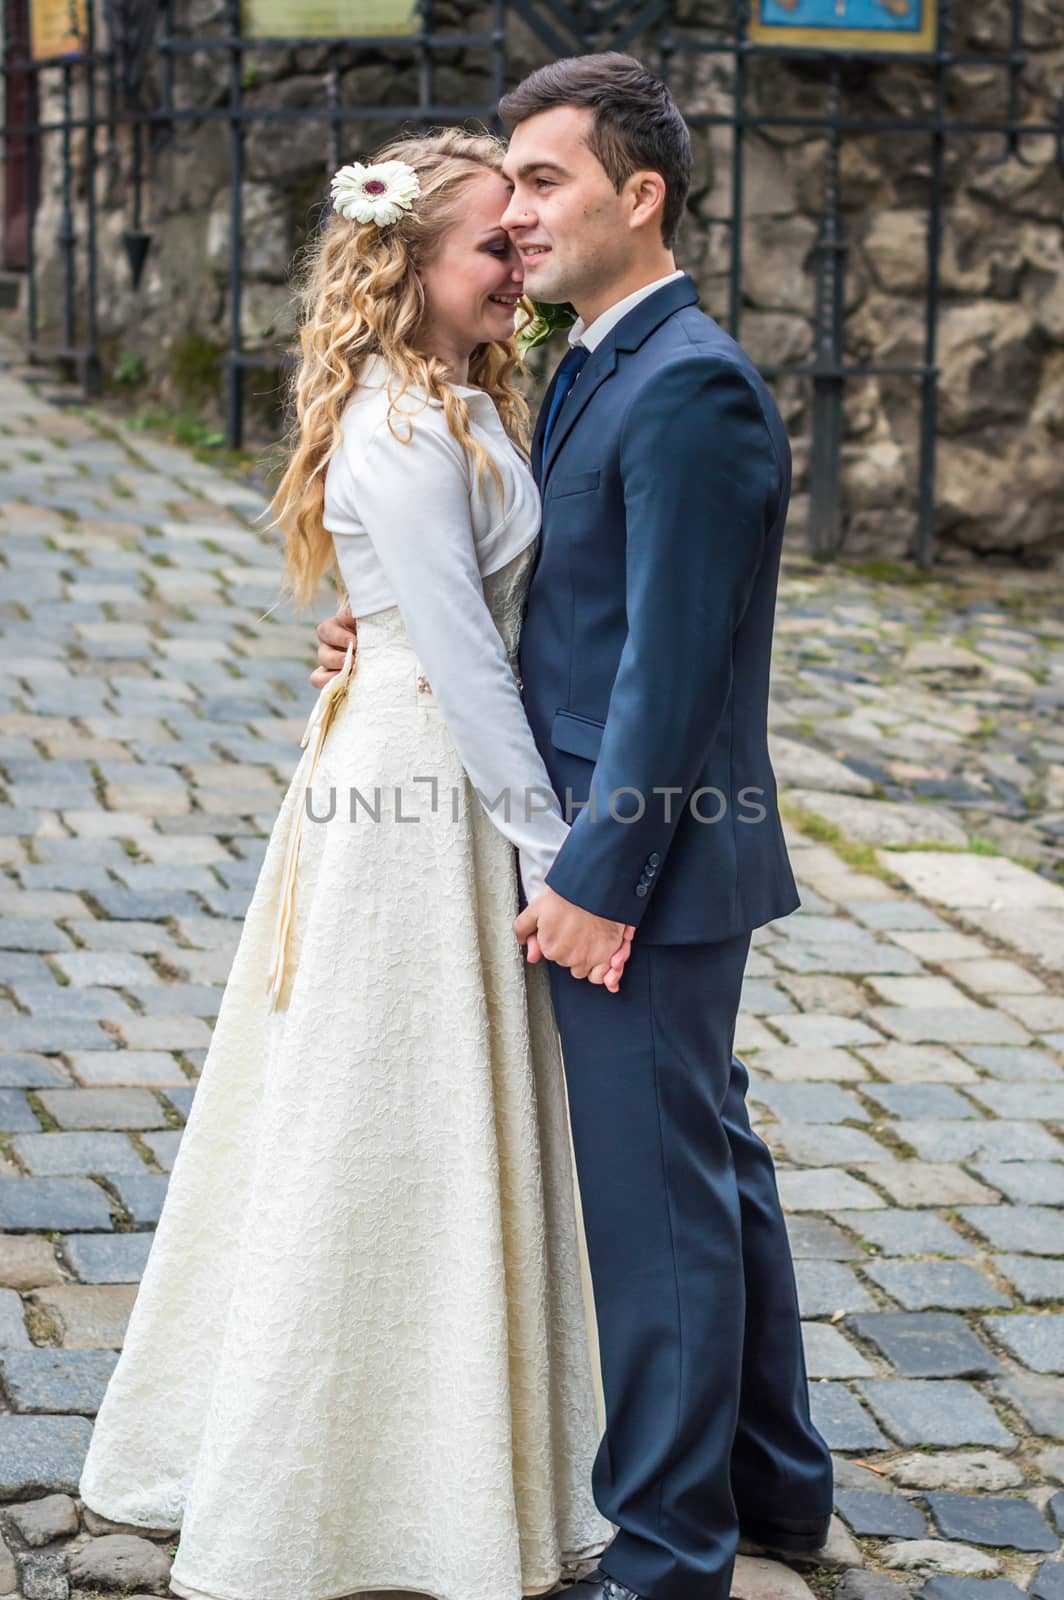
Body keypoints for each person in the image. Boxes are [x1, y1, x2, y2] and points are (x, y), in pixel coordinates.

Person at [77, 126, 630, 1600]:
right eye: (491, 251)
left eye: (522, 241)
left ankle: (445, 1453)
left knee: (433, 1112)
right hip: (419, 782)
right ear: (407, 266)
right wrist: (553, 854)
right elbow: (455, 654)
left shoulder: (458, 400)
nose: (520, 269)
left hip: (424, 747)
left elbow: (443, 614)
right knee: (380, 1106)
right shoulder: (397, 430)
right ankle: (338, 1481)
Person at [314, 53, 834, 1600]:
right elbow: (545, 595)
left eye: (544, 182)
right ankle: (775, 1485)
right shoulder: (596, 359)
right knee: (711, 1166)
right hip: (620, 848)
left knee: (659, 1206)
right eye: (511, 190)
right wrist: (385, 621)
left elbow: (672, 676)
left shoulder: (691, 386)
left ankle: (671, 1555)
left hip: (647, 862)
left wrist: (597, 879)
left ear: (640, 193)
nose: (519, 214)